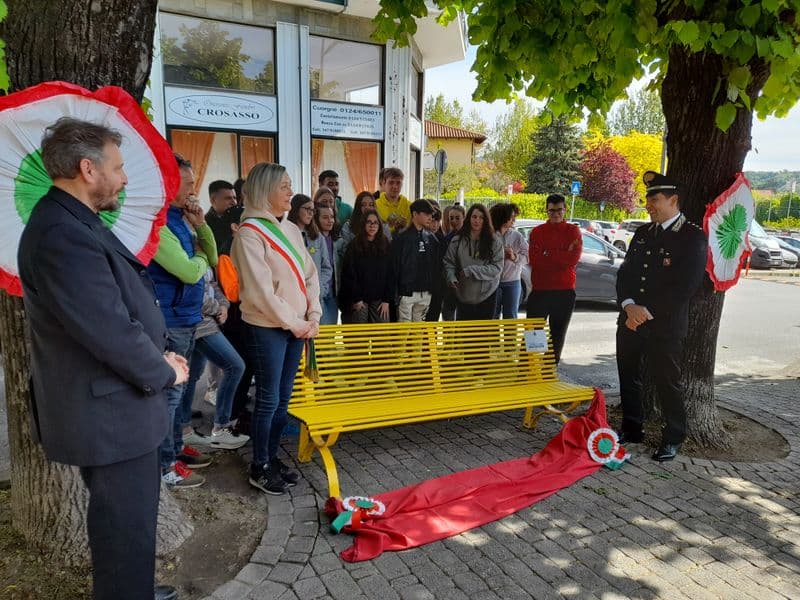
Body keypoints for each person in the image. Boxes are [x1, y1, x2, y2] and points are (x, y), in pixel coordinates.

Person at [18, 117, 186, 600]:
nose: (124, 178)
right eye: (117, 167)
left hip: (115, 408)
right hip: (109, 417)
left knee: (131, 527)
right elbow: (108, 329)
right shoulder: (60, 233)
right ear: (87, 169)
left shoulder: (71, 221)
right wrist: (163, 370)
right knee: (124, 531)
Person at [231, 162, 321, 494]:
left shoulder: (292, 230)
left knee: (283, 398)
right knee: (268, 399)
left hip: (297, 327)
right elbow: (260, 293)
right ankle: (260, 465)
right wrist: (298, 323)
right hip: (267, 327)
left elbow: (310, 275)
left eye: (290, 185)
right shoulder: (249, 234)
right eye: (283, 186)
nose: (290, 192)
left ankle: (271, 457)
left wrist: (313, 313)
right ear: (265, 190)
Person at [615, 171, 707, 462]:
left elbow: (685, 287)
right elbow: (625, 274)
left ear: (673, 200)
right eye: (647, 199)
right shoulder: (643, 233)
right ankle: (632, 429)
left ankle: (674, 437)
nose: (648, 205)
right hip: (630, 320)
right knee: (628, 376)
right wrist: (629, 305)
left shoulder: (692, 237)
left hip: (664, 326)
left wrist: (645, 313)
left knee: (667, 381)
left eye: (654, 199)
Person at [148, 154, 218, 488]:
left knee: (183, 389)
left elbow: (212, 257)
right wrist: (201, 257)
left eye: (193, 182)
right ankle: (165, 467)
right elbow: (190, 272)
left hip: (189, 317)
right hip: (170, 319)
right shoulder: (158, 222)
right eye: (187, 183)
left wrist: (201, 225)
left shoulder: (182, 218)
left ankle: (175, 449)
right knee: (170, 396)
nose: (193, 189)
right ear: (168, 183)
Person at [178, 270, 249, 450]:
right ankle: (220, 428)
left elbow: (212, 284)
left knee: (191, 376)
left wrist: (224, 305)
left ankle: (184, 429)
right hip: (200, 323)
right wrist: (218, 308)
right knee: (235, 366)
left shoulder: (204, 258)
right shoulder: (186, 257)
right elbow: (192, 292)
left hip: (203, 322)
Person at [526, 194, 582, 364]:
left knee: (557, 335)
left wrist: (547, 253)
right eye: (552, 210)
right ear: (546, 210)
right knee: (533, 333)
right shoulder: (537, 232)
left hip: (564, 292)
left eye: (559, 210)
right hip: (540, 291)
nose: (556, 214)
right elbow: (535, 260)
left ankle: (549, 370)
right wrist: (562, 253)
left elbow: (573, 260)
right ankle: (528, 369)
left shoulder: (573, 231)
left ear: (565, 209)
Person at [443, 204, 504, 320]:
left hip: (487, 295)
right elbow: (448, 262)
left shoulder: (494, 241)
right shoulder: (457, 240)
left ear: (486, 220)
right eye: (474, 217)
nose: (477, 221)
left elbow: (497, 268)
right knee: (464, 331)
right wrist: (451, 277)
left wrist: (472, 270)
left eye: (481, 217)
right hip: (463, 294)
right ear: (469, 218)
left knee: (485, 331)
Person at [338, 208, 393, 323]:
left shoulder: (385, 244)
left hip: (380, 299)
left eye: (375, 222)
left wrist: (386, 300)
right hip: (359, 299)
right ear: (363, 224)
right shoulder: (354, 245)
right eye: (369, 222)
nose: (372, 226)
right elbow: (349, 274)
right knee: (359, 330)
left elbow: (391, 274)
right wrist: (357, 299)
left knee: (381, 330)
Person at [288, 194, 334, 324]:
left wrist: (321, 289)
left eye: (312, 210)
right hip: (294, 297)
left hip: (316, 298)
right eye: (307, 209)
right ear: (296, 209)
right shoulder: (286, 234)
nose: (310, 213)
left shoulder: (317, 237)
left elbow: (326, 267)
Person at [391, 199, 439, 321]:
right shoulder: (401, 239)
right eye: (426, 214)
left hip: (426, 292)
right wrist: (396, 293)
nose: (430, 217)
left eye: (431, 214)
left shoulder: (432, 239)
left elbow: (436, 266)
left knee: (419, 329)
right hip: (406, 292)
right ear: (415, 214)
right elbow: (394, 268)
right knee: (404, 330)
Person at [491, 203, 529, 319]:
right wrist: (498, 255)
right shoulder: (489, 235)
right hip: (492, 282)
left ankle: (510, 333)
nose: (514, 220)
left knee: (511, 317)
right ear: (502, 217)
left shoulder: (517, 236)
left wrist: (514, 257)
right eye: (511, 216)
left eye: (514, 216)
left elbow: (528, 257)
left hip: (513, 282)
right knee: (492, 317)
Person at [315, 205, 343, 324]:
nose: (330, 220)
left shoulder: (338, 240)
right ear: (317, 219)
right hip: (318, 290)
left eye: (332, 217)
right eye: (325, 217)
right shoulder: (313, 240)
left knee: (331, 327)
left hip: (333, 290)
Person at [205, 179, 243, 255]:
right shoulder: (205, 224)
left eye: (234, 198)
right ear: (213, 200)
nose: (234, 202)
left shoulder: (239, 218)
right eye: (228, 198)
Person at [440, 205, 465, 320]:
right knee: (448, 314)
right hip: (450, 283)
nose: (454, 221)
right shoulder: (447, 239)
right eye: (451, 218)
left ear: (464, 218)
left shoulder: (471, 237)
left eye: (457, 218)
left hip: (466, 282)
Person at [375, 167, 411, 234]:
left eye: (398, 183)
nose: (395, 186)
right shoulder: (375, 205)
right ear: (384, 183)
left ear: (402, 184)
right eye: (391, 182)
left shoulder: (409, 206)